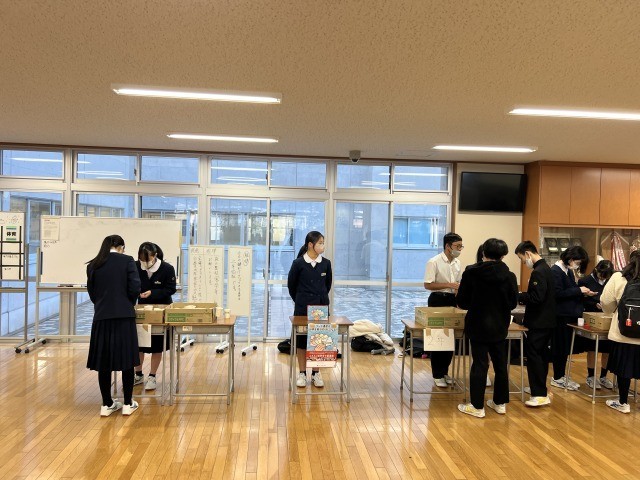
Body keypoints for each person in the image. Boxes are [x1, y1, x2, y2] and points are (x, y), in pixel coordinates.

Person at [456, 238, 518, 417]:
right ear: (503, 255)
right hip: (500, 325)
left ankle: (477, 406)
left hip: (477, 324)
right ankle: (500, 403)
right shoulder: (510, 276)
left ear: (483, 253)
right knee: (500, 364)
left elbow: (462, 302)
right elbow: (513, 303)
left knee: (480, 364)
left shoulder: (471, 272)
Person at [86, 234, 141, 417]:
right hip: (124, 316)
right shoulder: (127, 261)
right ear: (121, 247)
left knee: (104, 361)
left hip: (101, 317)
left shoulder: (93, 265)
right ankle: (127, 403)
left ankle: (106, 404)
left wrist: (103, 304)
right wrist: (126, 303)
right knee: (127, 360)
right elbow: (135, 288)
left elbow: (92, 293)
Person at [287, 231, 333, 388]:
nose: (323, 245)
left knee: (319, 340)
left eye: (323, 242)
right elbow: (291, 286)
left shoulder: (326, 263)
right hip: (302, 308)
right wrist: (300, 300)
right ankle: (301, 373)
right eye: (320, 243)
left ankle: (316, 373)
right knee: (301, 341)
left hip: (320, 308)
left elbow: (327, 285)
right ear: (310, 245)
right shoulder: (298, 263)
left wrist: (320, 299)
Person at [515, 241, 556, 407]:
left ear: (528, 254)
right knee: (541, 356)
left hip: (539, 321)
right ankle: (540, 389)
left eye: (522, 259)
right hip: (547, 320)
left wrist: (519, 295)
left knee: (534, 357)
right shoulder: (546, 268)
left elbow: (537, 298)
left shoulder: (539, 272)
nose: (524, 262)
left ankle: (539, 393)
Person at [550, 245, 596, 390]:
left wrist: (583, 293)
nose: (577, 265)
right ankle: (557, 377)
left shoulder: (568, 271)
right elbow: (557, 294)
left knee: (565, 348)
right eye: (577, 262)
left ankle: (561, 375)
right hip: (561, 316)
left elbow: (570, 291)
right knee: (560, 348)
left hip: (569, 315)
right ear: (570, 258)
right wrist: (578, 290)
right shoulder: (555, 271)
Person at [133, 242, 177, 391]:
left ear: (155, 255)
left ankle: (152, 376)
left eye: (148, 259)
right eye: (142, 260)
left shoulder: (167, 268)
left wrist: (153, 293)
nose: (145, 263)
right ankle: (138, 374)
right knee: (139, 344)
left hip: (161, 311)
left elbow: (171, 289)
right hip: (142, 311)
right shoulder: (135, 266)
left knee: (157, 345)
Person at [601, 251, 640, 413]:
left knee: (624, 368)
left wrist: (613, 312)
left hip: (624, 333)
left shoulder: (619, 277)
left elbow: (606, 301)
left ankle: (623, 402)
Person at [424, 232, 463, 388]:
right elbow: (427, 285)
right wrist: (448, 285)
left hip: (452, 300)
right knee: (438, 337)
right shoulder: (434, 261)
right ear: (448, 246)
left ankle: (445, 372)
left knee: (450, 338)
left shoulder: (457, 263)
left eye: (461, 246)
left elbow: (458, 284)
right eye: (457, 246)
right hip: (438, 299)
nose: (459, 249)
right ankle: (437, 374)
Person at [578, 260, 615, 390]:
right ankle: (591, 376)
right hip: (591, 319)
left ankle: (603, 376)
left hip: (607, 318)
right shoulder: (585, 281)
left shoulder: (611, 282)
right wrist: (594, 303)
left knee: (607, 349)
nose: (603, 278)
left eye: (606, 277)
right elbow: (580, 300)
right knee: (592, 348)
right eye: (601, 275)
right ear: (596, 270)